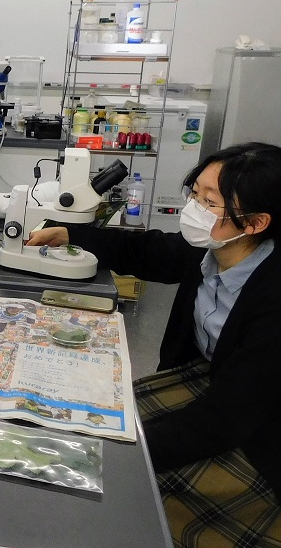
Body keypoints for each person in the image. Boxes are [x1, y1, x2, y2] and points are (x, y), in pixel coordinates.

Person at [27, 142, 281, 547]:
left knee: (126, 479)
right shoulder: (215, 251)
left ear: (255, 222)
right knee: (102, 418)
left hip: (261, 433)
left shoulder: (272, 298)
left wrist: (121, 459)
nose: (193, 207)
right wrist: (72, 233)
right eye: (194, 193)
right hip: (219, 386)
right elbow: (147, 251)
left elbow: (229, 417)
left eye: (209, 201)